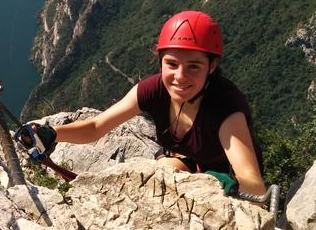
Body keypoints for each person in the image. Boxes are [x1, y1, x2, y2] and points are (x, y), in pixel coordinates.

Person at [23, 10, 266, 196]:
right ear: (160, 62)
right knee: (158, 177)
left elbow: (253, 182)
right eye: (171, 64)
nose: (180, 76)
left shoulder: (224, 107)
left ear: (212, 67)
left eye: (194, 66)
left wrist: (222, 184)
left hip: (225, 183)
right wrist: (52, 133)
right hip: (185, 163)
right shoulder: (153, 89)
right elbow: (97, 127)